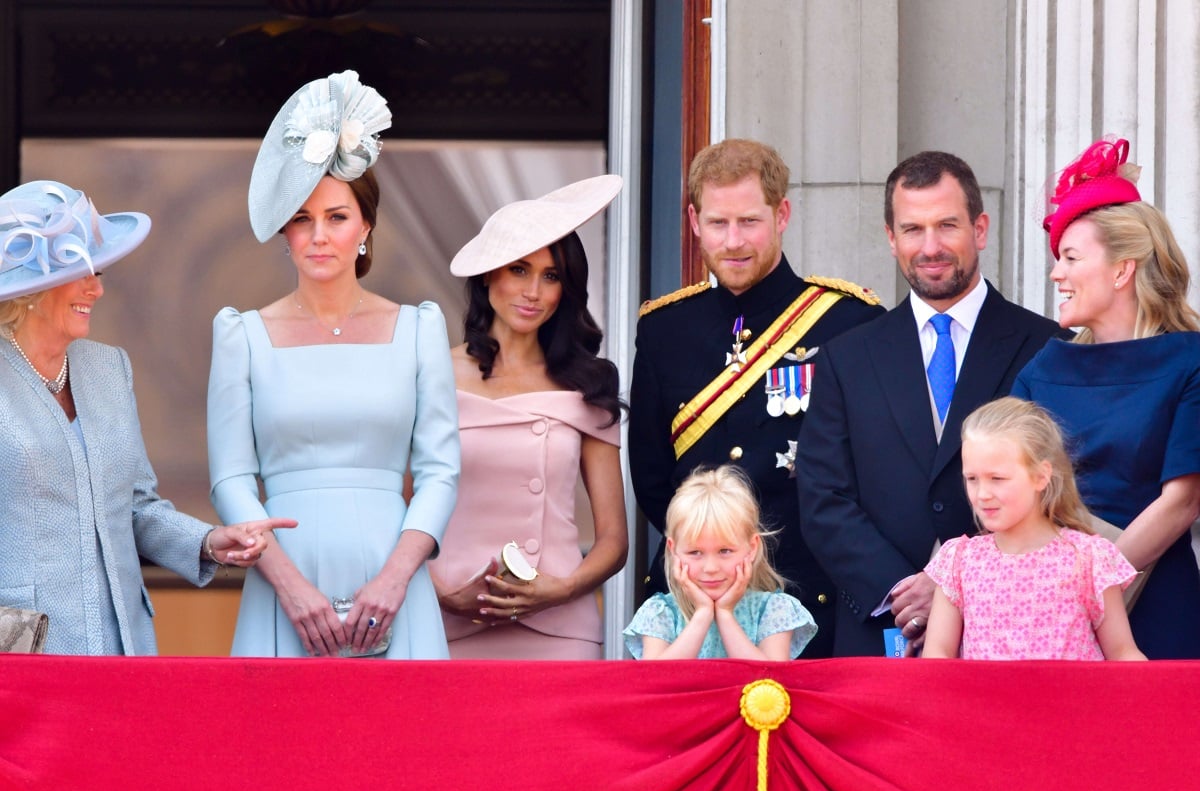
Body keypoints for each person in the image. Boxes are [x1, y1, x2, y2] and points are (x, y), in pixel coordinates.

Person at [207, 70, 460, 658]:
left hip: (395, 579)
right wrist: (290, 587)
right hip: (282, 579)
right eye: (301, 218)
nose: (319, 235)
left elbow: (440, 472)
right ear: (284, 233)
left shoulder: (419, 330)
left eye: (337, 217)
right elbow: (230, 480)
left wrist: (396, 578)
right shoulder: (241, 335)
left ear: (366, 226)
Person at [0, 179, 285, 656]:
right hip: (24, 651)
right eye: (83, 271)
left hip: (122, 645)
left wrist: (209, 541)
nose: (98, 288)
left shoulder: (110, 369)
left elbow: (136, 507)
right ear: (33, 287)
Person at [797, 151, 1064, 657]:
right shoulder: (847, 358)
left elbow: (1059, 489)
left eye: (947, 225)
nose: (931, 247)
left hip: (1013, 628)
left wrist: (952, 587)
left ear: (980, 229)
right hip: (882, 631)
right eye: (913, 229)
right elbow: (823, 499)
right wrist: (902, 589)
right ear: (891, 238)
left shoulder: (1047, 346)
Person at [628, 138, 884, 657]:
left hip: (805, 591)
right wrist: (711, 560)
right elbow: (652, 477)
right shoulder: (664, 328)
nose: (733, 241)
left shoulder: (848, 321)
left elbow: (867, 472)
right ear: (695, 222)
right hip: (693, 594)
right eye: (718, 223)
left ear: (782, 214)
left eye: (749, 221)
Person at [1011, 137, 1200, 659]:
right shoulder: (1041, 368)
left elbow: (1182, 501)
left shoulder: (1190, 360)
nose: (1056, 273)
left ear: (1123, 270)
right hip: (1044, 607)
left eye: (1071, 257)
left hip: (1155, 602)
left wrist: (1091, 594)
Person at [427, 176, 628, 659]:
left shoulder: (588, 382)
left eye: (551, 276)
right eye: (519, 269)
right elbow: (397, 511)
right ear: (488, 275)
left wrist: (562, 589)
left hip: (560, 629)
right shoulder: (429, 371)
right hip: (446, 622)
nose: (533, 291)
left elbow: (614, 537)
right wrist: (440, 594)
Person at [922, 398, 1144, 660]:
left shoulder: (1089, 559)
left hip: (1072, 702)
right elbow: (937, 656)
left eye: (997, 479)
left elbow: (1122, 653)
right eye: (972, 479)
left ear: (1041, 476)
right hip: (984, 702)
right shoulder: (958, 562)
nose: (982, 494)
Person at [623, 465, 816, 660]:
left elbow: (770, 678)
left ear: (752, 548)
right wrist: (703, 614)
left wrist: (725, 614)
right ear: (673, 551)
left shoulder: (774, 610)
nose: (711, 568)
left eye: (725, 551)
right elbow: (657, 680)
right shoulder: (660, 614)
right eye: (695, 552)